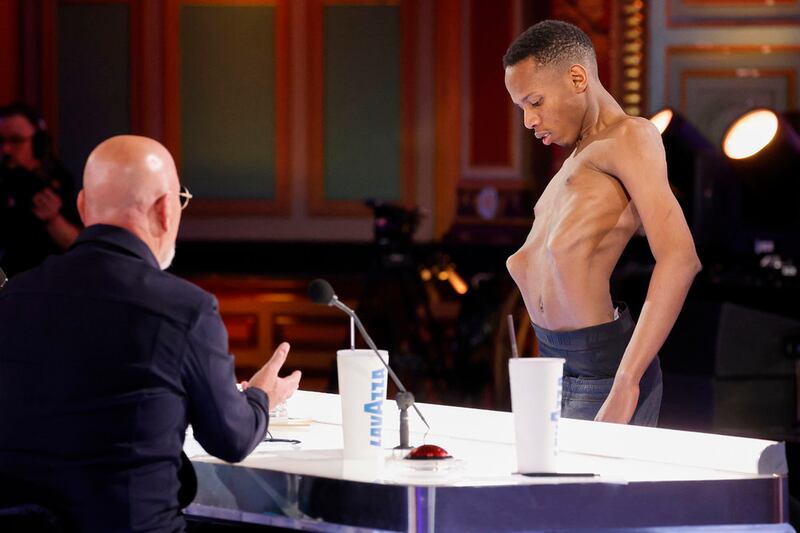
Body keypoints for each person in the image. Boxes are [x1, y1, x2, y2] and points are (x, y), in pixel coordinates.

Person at [0, 135, 301, 531]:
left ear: (82, 207)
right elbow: (231, 439)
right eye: (181, 201)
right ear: (164, 209)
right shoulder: (185, 309)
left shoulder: (14, 296)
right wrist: (262, 396)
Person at [503, 21, 701, 426]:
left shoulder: (630, 136)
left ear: (578, 78)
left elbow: (680, 258)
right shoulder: (574, 163)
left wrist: (626, 382)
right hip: (551, 369)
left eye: (535, 101)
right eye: (521, 107)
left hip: (603, 376)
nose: (528, 120)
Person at [0, 103, 81, 276]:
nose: (6, 149)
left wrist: (53, 219)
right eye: (1, 141)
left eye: (16, 140)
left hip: (45, 282)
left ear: (38, 144)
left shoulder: (57, 181)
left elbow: (78, 247)